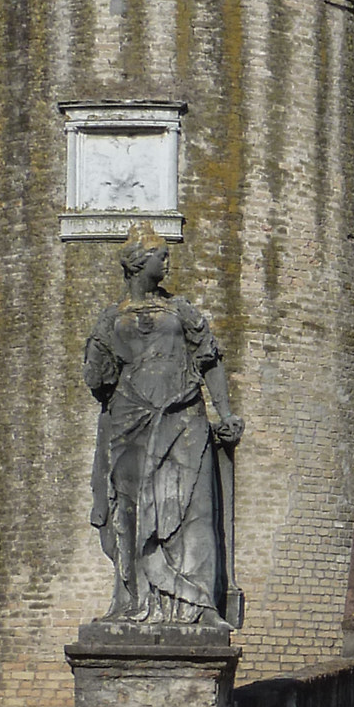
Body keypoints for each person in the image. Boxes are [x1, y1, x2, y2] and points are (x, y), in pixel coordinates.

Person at [82, 223, 242, 625]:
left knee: (195, 512)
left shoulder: (181, 311)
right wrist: (99, 358)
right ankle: (134, 603)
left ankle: (201, 606)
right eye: (160, 255)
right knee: (132, 514)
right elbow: (97, 380)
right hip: (130, 424)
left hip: (184, 416)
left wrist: (225, 414)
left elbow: (210, 362)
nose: (167, 262)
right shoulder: (110, 319)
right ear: (139, 262)